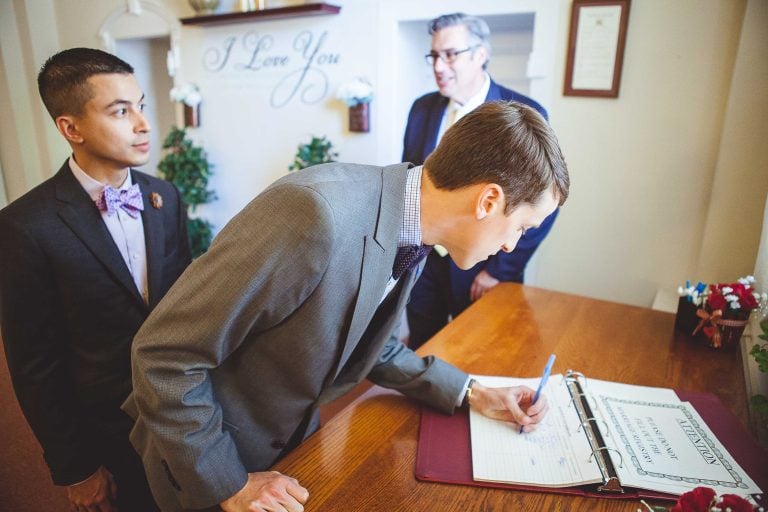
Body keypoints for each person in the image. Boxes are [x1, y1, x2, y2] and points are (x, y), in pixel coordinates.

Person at [127, 100, 568, 512]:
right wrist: (230, 483)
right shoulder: (314, 214)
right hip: (204, 457)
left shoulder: (412, 225)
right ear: (488, 201)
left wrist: (472, 392)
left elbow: (368, 339)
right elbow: (165, 355)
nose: (512, 244)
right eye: (522, 227)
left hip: (288, 444)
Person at [0, 47, 191, 512]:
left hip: (182, 415)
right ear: (71, 128)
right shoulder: (26, 226)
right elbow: (35, 365)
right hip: (107, 430)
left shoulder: (164, 196)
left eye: (140, 106)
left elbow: (187, 305)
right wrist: (77, 468)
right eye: (120, 111)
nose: (143, 124)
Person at [403, 13, 560, 348]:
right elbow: (412, 180)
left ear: (480, 54)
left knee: (483, 351)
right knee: (422, 348)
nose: (439, 66)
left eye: (450, 55)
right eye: (434, 55)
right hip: (423, 262)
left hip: (484, 269)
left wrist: (500, 271)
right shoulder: (421, 109)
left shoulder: (524, 113)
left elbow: (541, 206)